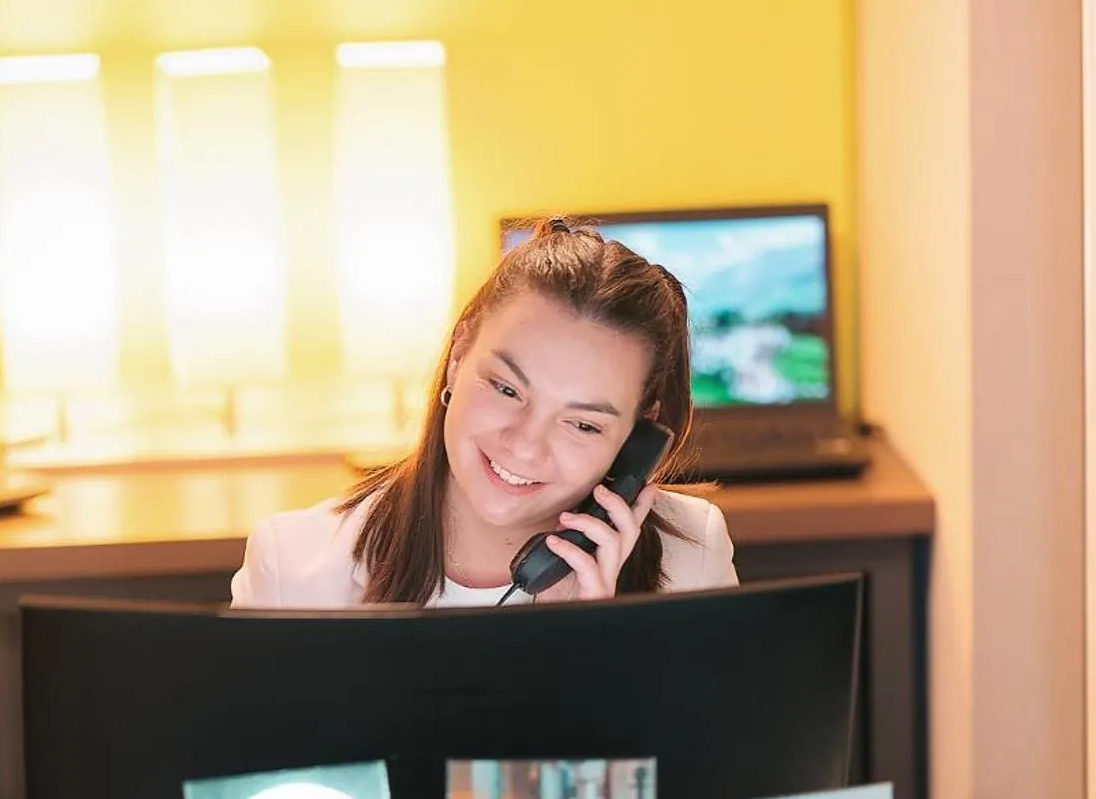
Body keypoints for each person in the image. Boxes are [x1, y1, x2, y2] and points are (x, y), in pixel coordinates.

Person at [231, 218, 737, 609]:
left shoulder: (691, 560)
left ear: (635, 438)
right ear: (458, 355)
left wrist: (594, 645)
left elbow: (725, 747)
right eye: (506, 389)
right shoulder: (291, 567)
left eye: (583, 424)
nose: (525, 444)